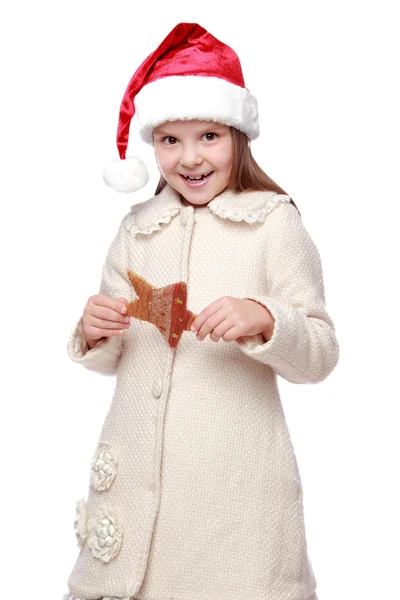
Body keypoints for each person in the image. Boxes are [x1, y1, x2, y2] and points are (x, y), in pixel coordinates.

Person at [62, 22, 340, 600]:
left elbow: (320, 353)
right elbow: (115, 353)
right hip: (137, 477)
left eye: (208, 136)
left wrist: (267, 317)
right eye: (170, 140)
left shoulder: (272, 222)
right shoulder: (138, 229)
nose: (189, 158)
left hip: (232, 490)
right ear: (152, 146)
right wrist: (94, 333)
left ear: (238, 135)